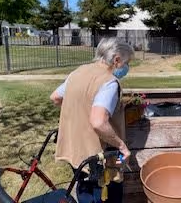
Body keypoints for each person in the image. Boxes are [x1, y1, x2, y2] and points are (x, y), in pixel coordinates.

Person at [50, 37, 135, 203]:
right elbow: (98, 121)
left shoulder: (79, 72)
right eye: (127, 62)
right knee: (107, 191)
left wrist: (79, 114)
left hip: (75, 149)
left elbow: (55, 98)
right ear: (117, 60)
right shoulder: (109, 82)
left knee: (83, 188)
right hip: (101, 156)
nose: (127, 67)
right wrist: (122, 146)